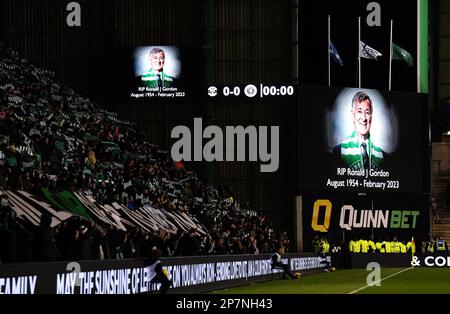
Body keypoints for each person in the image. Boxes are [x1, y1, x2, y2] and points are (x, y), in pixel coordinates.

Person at [333, 91, 385, 171]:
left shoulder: (383, 156)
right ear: (353, 115)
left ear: (371, 117)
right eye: (359, 112)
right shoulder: (338, 152)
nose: (364, 118)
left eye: (367, 112)